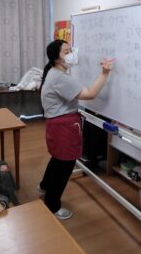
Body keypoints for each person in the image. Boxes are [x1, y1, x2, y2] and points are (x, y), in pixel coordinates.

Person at [39, 39, 114, 220]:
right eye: (66, 51)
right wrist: (104, 73)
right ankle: (52, 204)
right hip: (63, 127)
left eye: (70, 49)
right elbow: (89, 94)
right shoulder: (59, 77)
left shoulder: (54, 72)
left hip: (58, 125)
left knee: (58, 160)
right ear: (56, 58)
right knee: (65, 165)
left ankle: (44, 186)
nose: (71, 53)